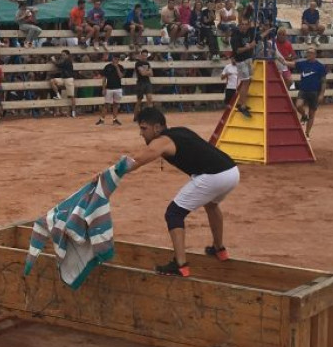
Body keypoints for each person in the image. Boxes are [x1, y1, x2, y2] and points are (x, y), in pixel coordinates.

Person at [123, 108, 239, 277]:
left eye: (143, 128)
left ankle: (180, 265)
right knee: (212, 205)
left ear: (156, 128)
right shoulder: (180, 131)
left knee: (174, 214)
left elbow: (139, 160)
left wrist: (112, 173)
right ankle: (219, 249)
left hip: (214, 176)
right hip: (232, 171)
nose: (141, 134)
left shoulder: (161, 141)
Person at [284, 47, 327, 138]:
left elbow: (323, 81)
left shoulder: (320, 66)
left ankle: (307, 133)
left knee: (312, 113)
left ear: (315, 55)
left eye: (311, 53)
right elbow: (288, 64)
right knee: (298, 105)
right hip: (303, 90)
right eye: (308, 53)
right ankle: (304, 115)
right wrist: (277, 57)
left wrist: (321, 94)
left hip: (314, 91)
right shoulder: (302, 63)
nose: (309, 54)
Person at [229, 23, 256, 118]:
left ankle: (241, 102)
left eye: (246, 24)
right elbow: (238, 50)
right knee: (245, 82)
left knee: (248, 81)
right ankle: (242, 105)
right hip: (241, 61)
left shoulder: (246, 33)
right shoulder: (235, 37)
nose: (244, 26)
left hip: (247, 60)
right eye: (242, 25)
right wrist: (249, 47)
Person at [96, 54, 124, 126]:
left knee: (116, 104)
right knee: (106, 104)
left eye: (117, 59)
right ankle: (102, 119)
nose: (116, 60)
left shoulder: (120, 67)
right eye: (115, 59)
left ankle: (115, 120)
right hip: (109, 88)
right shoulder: (107, 67)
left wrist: (117, 67)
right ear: (112, 59)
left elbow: (121, 76)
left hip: (118, 88)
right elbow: (104, 78)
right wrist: (103, 88)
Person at [49, 50, 77, 118]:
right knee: (52, 81)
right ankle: (58, 95)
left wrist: (53, 60)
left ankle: (73, 112)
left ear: (68, 55)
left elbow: (59, 65)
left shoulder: (68, 61)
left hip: (69, 79)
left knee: (72, 96)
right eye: (62, 55)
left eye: (64, 55)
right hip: (63, 79)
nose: (62, 56)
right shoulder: (65, 61)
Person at [131, 49, 154, 120]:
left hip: (147, 82)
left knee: (149, 99)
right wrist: (147, 72)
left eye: (146, 56)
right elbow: (142, 73)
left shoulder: (147, 63)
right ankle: (135, 115)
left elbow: (152, 74)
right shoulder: (138, 63)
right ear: (141, 55)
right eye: (143, 55)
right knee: (139, 100)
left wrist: (146, 72)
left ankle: (150, 116)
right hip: (140, 83)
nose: (144, 57)